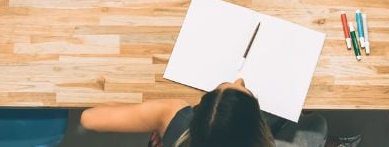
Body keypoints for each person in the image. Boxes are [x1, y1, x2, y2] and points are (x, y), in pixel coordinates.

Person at [80, 78, 327, 147]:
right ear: (257, 127)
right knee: (316, 126)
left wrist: (157, 118)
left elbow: (88, 119)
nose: (240, 78)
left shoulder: (172, 115)